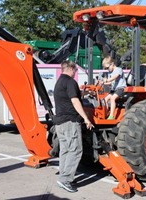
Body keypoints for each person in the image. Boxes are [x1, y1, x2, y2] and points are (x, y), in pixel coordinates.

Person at [53, 60, 94, 193]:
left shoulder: (59, 82)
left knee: (65, 150)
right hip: (70, 121)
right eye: (75, 70)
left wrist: (83, 94)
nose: (75, 72)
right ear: (70, 68)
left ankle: (63, 176)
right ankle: (65, 180)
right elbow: (75, 101)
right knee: (76, 150)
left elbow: (70, 97)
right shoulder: (70, 82)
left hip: (59, 122)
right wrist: (86, 118)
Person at [100, 56, 126, 120]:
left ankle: (111, 116)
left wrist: (107, 80)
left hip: (121, 88)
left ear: (112, 64)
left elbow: (114, 77)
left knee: (112, 98)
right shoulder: (110, 72)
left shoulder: (118, 69)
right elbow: (112, 82)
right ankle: (106, 114)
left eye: (107, 67)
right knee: (105, 99)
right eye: (105, 68)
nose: (107, 69)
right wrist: (103, 83)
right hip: (114, 89)